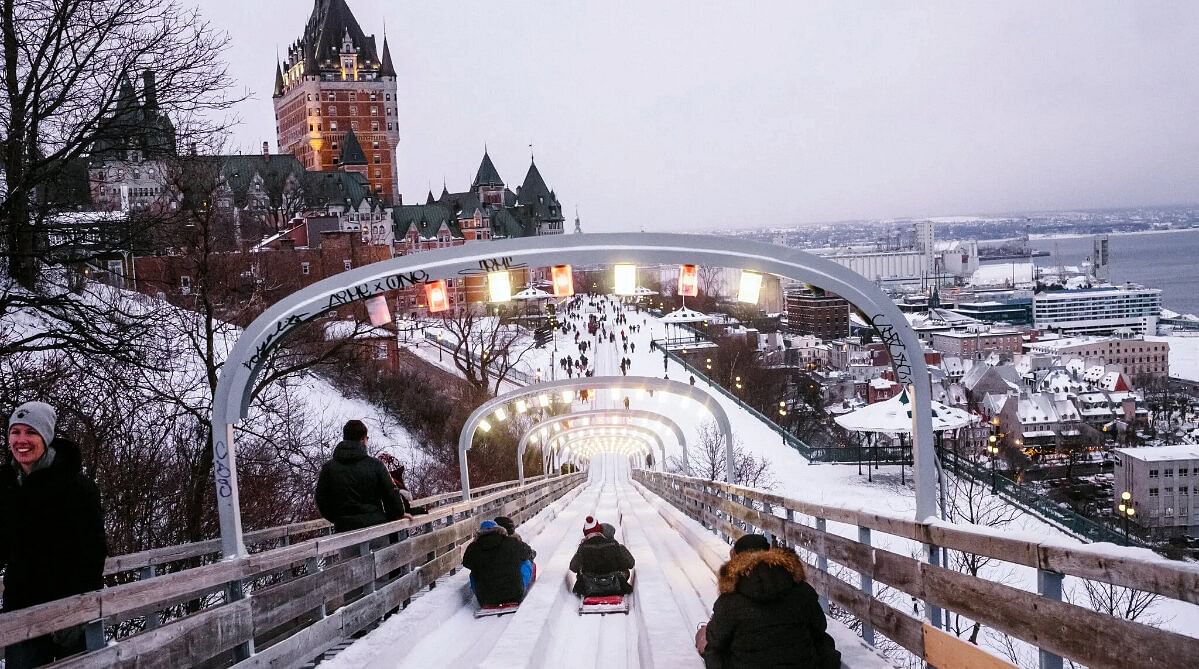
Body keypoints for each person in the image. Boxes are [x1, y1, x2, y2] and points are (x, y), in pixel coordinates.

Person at [1, 402, 106, 667]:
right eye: (15, 432)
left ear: (45, 436)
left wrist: (77, 609)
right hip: (22, 611)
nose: (21, 440)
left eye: (30, 432)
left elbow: (92, 554)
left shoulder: (76, 487)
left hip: (70, 611)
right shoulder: (6, 485)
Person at [697, 534, 840, 669]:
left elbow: (716, 640)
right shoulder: (802, 590)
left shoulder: (730, 600)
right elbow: (820, 626)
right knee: (822, 642)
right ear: (771, 553)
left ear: (734, 557)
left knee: (711, 646)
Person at [315, 420, 411, 533]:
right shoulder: (375, 465)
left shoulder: (328, 468)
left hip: (345, 531)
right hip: (375, 528)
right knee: (380, 551)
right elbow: (390, 493)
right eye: (367, 438)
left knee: (352, 551)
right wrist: (398, 514)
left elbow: (321, 498)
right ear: (362, 439)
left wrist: (338, 519)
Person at [462, 520, 537, 606]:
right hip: (515, 594)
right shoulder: (511, 542)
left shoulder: (473, 548)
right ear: (499, 530)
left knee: (473, 573)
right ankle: (524, 586)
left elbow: (466, 563)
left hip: (485, 598)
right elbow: (528, 552)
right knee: (526, 562)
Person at [569, 516, 635, 596]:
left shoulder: (582, 548)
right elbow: (631, 563)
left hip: (589, 587)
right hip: (614, 585)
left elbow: (573, 567)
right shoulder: (614, 545)